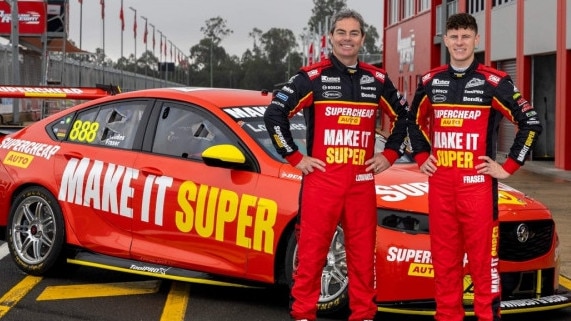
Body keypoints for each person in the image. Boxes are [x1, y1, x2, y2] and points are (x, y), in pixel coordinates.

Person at [263, 8, 408, 321]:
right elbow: (274, 114)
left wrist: (390, 155)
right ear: (331, 37)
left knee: (362, 259)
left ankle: (364, 315)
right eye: (341, 32)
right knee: (311, 257)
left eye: (353, 33)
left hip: (361, 185)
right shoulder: (312, 78)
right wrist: (295, 157)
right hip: (322, 183)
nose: (347, 39)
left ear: (362, 39)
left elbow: (404, 118)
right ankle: (303, 315)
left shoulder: (377, 79)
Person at [407, 13, 543, 321]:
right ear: (446, 40)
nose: (459, 42)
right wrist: (420, 156)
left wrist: (508, 166)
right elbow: (411, 122)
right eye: (453, 36)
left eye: (465, 36)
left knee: (484, 267)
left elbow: (531, 123)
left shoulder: (495, 82)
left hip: (478, 189)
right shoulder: (431, 81)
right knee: (444, 265)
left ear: (476, 40)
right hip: (441, 187)